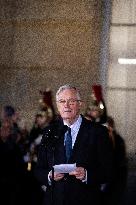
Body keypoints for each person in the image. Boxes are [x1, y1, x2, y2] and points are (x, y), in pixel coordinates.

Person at [35, 84, 113, 205]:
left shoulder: (98, 132)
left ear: (80, 104)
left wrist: (87, 175)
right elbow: (39, 170)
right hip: (54, 200)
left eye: (71, 101)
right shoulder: (49, 132)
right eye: (62, 101)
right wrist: (49, 176)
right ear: (57, 105)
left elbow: (109, 171)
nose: (66, 106)